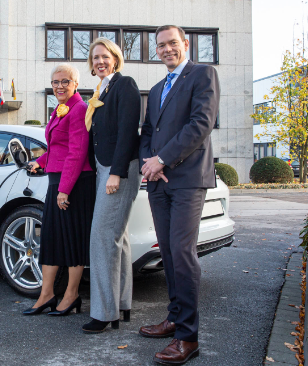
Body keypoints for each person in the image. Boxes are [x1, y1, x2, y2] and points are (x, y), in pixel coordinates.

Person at [138, 25, 220, 365]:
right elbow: (147, 131)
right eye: (161, 45)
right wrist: (148, 163)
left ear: (185, 44)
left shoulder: (203, 74)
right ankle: (174, 318)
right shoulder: (158, 88)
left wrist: (162, 159)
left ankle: (188, 337)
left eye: (173, 43)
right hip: (158, 181)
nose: (167, 49)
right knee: (169, 253)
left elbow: (201, 124)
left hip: (187, 179)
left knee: (183, 253)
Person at [24, 64, 95, 317]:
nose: (60, 86)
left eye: (65, 81)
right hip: (58, 181)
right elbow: (57, 148)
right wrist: (40, 161)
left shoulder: (79, 109)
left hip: (74, 184)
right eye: (55, 82)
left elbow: (77, 151)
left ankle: (71, 295)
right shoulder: (59, 109)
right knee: (52, 240)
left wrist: (64, 190)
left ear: (76, 84)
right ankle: (47, 295)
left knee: (72, 241)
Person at [82, 37, 141, 334]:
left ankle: (104, 313)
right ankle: (121, 304)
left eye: (105, 56)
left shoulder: (124, 84)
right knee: (119, 238)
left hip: (119, 168)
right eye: (95, 58)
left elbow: (128, 131)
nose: (100, 61)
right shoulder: (100, 90)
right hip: (104, 168)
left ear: (115, 59)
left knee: (102, 237)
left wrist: (116, 173)